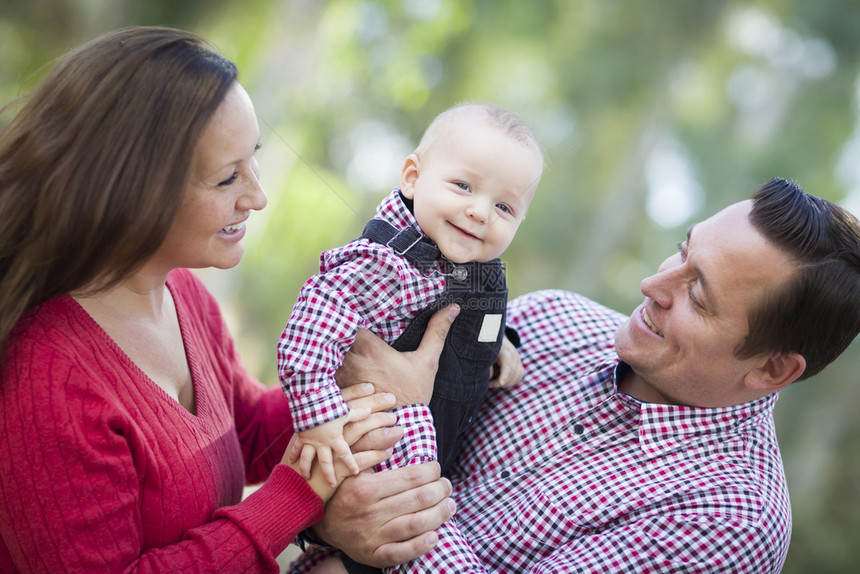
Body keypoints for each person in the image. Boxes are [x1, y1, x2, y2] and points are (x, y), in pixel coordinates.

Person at [0, 26, 456, 573]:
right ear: (130, 188)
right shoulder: (47, 382)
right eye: (226, 179)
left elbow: (249, 430)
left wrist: (373, 383)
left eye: (254, 158)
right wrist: (294, 501)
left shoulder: (181, 294)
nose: (257, 196)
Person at [291, 177, 860, 573]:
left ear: (773, 368)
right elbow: (323, 436)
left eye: (698, 295)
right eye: (681, 251)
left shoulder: (732, 521)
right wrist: (326, 525)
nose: (653, 286)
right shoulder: (551, 319)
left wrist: (406, 411)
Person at [277, 102, 544, 488]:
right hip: (374, 452)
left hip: (445, 443)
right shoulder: (388, 263)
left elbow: (466, 315)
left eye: (504, 206)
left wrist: (495, 343)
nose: (481, 212)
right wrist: (319, 419)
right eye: (464, 186)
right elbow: (311, 327)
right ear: (413, 178)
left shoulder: (470, 268)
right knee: (416, 520)